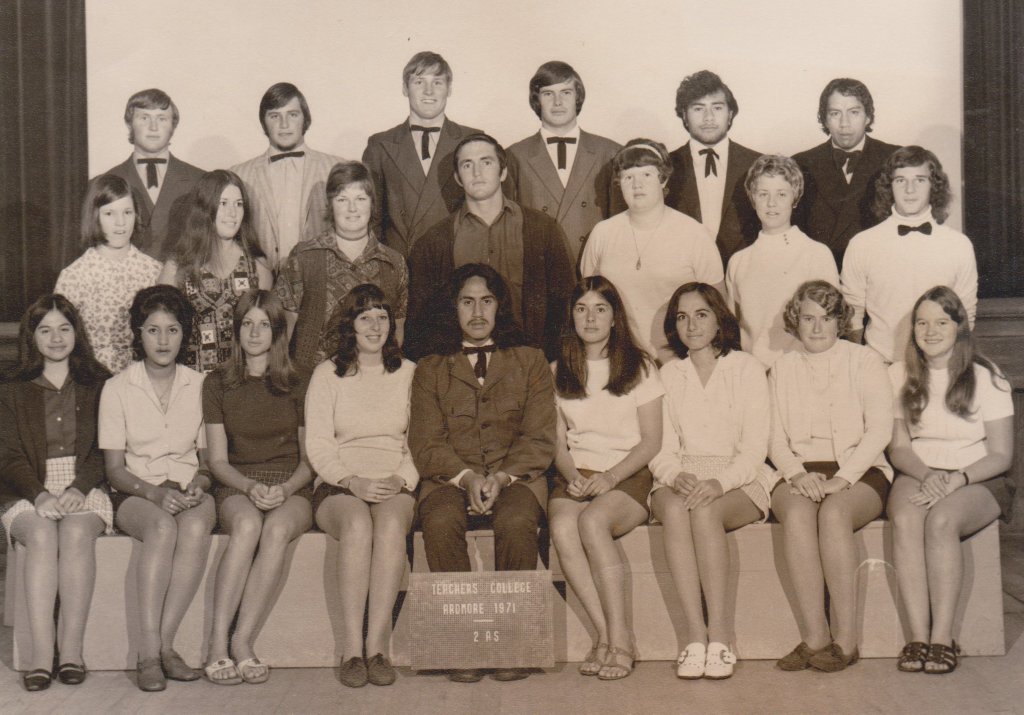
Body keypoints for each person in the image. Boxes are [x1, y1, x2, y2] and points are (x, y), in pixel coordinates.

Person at [409, 264, 556, 683]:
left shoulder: (530, 361)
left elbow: (539, 436)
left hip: (517, 479)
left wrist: (502, 478)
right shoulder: (430, 368)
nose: (477, 312)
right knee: (439, 521)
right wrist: (468, 478)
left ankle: (512, 645)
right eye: (467, 302)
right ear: (452, 308)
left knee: (517, 521)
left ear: (499, 307)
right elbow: (426, 441)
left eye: (486, 301)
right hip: (448, 480)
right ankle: (461, 645)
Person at [648, 282, 773, 680]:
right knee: (673, 508)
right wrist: (675, 474)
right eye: (682, 317)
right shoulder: (669, 374)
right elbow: (661, 448)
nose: (691, 325)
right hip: (683, 475)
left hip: (738, 478)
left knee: (704, 512)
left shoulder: (747, 368)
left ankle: (719, 636)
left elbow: (754, 451)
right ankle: (694, 637)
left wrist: (720, 483)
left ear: (719, 319)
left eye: (701, 314)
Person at [768, 280, 893, 673]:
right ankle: (815, 637)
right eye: (808, 318)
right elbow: (772, 436)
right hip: (800, 470)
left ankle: (847, 640)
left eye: (826, 318)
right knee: (798, 514)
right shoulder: (781, 368)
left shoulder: (865, 361)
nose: (817, 327)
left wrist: (844, 478)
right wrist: (795, 472)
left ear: (840, 321)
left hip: (862, 470)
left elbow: (880, 430)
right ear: (796, 321)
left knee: (835, 513)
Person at [887, 286, 1013, 675]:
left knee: (941, 521)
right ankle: (918, 637)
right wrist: (928, 476)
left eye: (941, 322)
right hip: (921, 468)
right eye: (922, 323)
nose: (930, 331)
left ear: (959, 327)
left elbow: (1002, 455)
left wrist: (957, 479)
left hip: (978, 474)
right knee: (905, 519)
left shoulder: (986, 376)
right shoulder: (898, 374)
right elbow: (900, 448)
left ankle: (942, 638)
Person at [98, 284, 215, 692]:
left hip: (188, 487)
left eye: (172, 329)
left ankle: (165, 647)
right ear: (138, 333)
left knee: (195, 526)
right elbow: (114, 470)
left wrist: (200, 484)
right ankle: (147, 653)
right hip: (135, 492)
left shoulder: (201, 385)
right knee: (163, 527)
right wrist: (153, 494)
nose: (163, 340)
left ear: (184, 334)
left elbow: (207, 462)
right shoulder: (117, 388)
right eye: (152, 330)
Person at [549, 276, 663, 681]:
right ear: (572, 317)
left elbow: (652, 441)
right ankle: (606, 635)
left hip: (627, 473)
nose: (591, 318)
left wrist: (611, 478)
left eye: (600, 309)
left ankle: (621, 641)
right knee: (563, 527)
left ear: (615, 317)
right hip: (577, 473)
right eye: (581, 309)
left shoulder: (641, 366)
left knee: (593, 521)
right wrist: (572, 476)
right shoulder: (558, 370)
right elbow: (557, 443)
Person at [306, 284, 417, 689]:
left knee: (390, 526)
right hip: (339, 484)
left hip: (393, 480)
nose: (375, 326)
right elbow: (318, 444)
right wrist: (352, 481)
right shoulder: (327, 374)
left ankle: (378, 648)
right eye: (364, 317)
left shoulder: (409, 372)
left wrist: (399, 479)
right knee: (357, 525)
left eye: (382, 317)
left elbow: (419, 443)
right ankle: (352, 649)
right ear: (350, 325)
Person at [0, 295, 113, 692]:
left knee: (76, 532)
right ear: (31, 337)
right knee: (42, 534)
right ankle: (39, 655)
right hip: (26, 487)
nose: (56, 338)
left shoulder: (99, 383)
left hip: (85, 484)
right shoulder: (11, 387)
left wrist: (80, 487)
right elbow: (7, 455)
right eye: (45, 330)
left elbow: (107, 450)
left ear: (76, 333)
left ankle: (71, 653)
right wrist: (39, 495)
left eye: (64, 328)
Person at [202, 290, 313, 686]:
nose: (254, 332)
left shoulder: (299, 381)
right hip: (237, 482)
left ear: (277, 332)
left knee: (277, 529)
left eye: (264, 324)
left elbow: (309, 460)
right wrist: (249, 486)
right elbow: (217, 462)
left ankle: (242, 641)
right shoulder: (217, 383)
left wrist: (286, 489)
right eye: (247, 323)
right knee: (248, 526)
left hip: (291, 485)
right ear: (236, 330)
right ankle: (217, 644)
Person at [406, 133, 573, 361]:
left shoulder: (543, 230)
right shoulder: (433, 242)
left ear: (502, 172)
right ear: (457, 178)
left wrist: (552, 363)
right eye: (467, 165)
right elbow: (421, 323)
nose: (477, 172)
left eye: (486, 162)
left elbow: (564, 304)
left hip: (530, 365)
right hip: (462, 368)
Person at [580, 139, 724, 365]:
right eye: (628, 177)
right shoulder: (602, 233)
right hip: (618, 361)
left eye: (646, 175)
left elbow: (718, 309)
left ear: (663, 178)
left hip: (679, 362)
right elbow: (588, 300)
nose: (637, 185)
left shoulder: (695, 234)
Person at [841, 146, 978, 363]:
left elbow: (966, 314)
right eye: (900, 180)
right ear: (889, 186)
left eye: (919, 180)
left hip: (938, 366)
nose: (909, 189)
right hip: (880, 365)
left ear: (934, 185)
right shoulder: (862, 244)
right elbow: (852, 315)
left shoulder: (959, 245)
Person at [275, 160, 409, 375]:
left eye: (360, 199)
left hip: (371, 382)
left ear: (372, 204)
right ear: (330, 204)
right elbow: (284, 329)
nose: (352, 208)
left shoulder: (394, 263)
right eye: (342, 199)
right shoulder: (303, 257)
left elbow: (397, 330)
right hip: (310, 381)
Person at [363, 51, 485, 257]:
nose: (429, 91)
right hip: (399, 265)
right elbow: (371, 219)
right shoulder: (380, 145)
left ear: (449, 89)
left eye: (437, 82)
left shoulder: (473, 140)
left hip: (457, 263)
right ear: (405, 88)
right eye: (419, 82)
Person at [725, 155, 838, 368]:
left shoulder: (816, 254)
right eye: (763, 194)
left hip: (804, 370)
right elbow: (734, 329)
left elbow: (831, 324)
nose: (771, 203)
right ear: (753, 198)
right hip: (753, 373)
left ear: (795, 198)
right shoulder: (738, 262)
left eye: (781, 194)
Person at [506, 61, 622, 266]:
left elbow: (621, 225)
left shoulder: (610, 152)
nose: (557, 102)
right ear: (537, 100)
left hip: (594, 270)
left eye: (566, 93)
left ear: (578, 97)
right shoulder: (514, 156)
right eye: (548, 94)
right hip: (539, 269)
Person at [158, 170, 273, 373]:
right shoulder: (178, 265)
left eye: (239, 204)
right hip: (192, 379)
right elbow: (161, 329)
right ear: (205, 208)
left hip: (241, 379)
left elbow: (268, 332)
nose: (233, 213)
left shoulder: (257, 266)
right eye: (223, 203)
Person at [55, 173, 163, 374]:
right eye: (109, 214)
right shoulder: (74, 276)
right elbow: (60, 340)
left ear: (136, 215)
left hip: (143, 377)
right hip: (90, 377)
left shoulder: (154, 271)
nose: (120, 222)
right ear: (95, 216)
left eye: (127, 212)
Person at [231, 82, 343, 270]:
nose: (284, 124)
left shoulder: (335, 168)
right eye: (275, 116)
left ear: (305, 119)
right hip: (262, 282)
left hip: (322, 279)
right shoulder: (239, 175)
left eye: (292, 114)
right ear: (264, 122)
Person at [793, 78, 899, 266]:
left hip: (880, 268)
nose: (844, 123)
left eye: (854, 112)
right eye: (835, 113)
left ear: (868, 116)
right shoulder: (800, 164)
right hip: (820, 272)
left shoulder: (896, 159)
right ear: (825, 119)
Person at [665, 70, 761, 266]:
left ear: (730, 114)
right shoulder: (664, 167)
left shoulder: (758, 164)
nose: (708, 117)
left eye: (717, 108)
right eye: (698, 108)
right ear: (684, 115)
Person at [97, 88, 204, 259]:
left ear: (173, 126)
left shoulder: (201, 180)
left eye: (162, 119)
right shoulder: (100, 184)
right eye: (144, 118)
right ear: (129, 124)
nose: (153, 127)